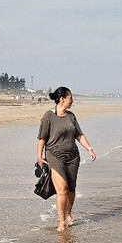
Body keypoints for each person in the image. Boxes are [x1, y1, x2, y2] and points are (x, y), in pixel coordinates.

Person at [36, 86, 98, 232]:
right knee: (62, 189)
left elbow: (79, 134)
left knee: (71, 190)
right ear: (63, 98)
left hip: (73, 158)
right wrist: (39, 156)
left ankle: (68, 212)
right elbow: (41, 138)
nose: (72, 100)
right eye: (71, 97)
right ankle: (61, 221)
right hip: (54, 156)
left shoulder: (71, 116)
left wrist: (89, 148)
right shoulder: (48, 117)